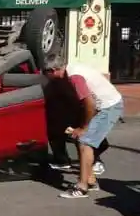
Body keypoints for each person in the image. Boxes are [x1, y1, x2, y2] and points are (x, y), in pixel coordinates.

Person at [43, 53, 124, 199]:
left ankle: (82, 187)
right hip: (102, 105)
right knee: (79, 139)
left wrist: (83, 127)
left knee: (85, 142)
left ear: (53, 70)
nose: (45, 76)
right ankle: (91, 181)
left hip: (108, 106)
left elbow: (89, 104)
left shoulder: (74, 77)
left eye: (46, 72)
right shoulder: (69, 71)